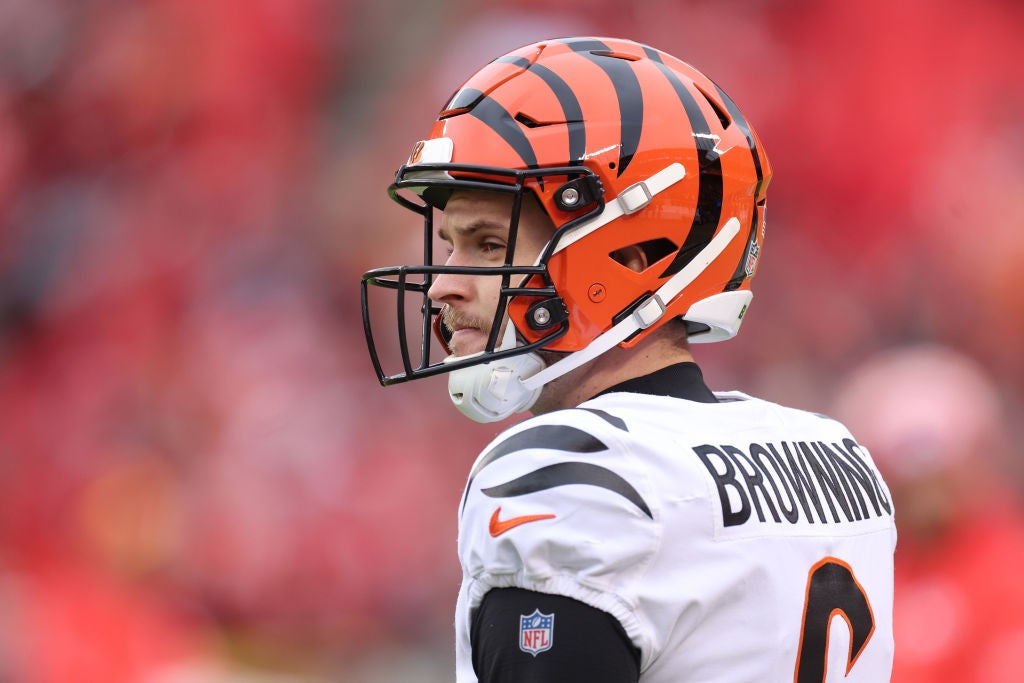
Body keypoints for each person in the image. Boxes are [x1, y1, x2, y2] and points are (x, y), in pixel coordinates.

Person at [360, 37, 895, 682]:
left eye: (489, 244)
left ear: (630, 261)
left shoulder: (570, 468)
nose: (445, 283)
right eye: (450, 245)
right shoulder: (832, 453)